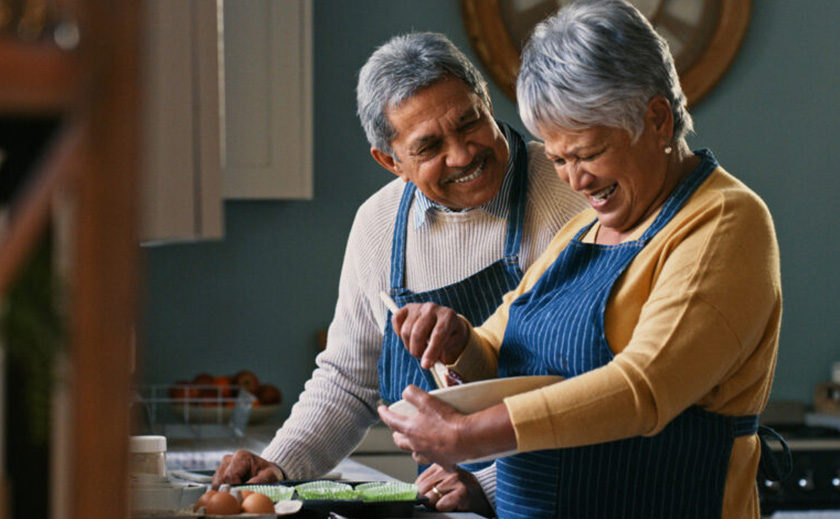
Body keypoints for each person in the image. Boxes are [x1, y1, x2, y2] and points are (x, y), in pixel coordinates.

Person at [377, 1, 783, 518]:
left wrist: (469, 435)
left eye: (588, 153)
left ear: (657, 119)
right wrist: (458, 341)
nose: (574, 179)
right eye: (557, 158)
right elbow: (497, 353)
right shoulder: (581, 231)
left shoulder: (724, 221)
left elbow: (643, 387)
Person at [211, 31, 588, 514]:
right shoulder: (379, 225)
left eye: (469, 122)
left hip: (565, 495)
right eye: (429, 147)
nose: (462, 154)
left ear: (486, 101)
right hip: (444, 504)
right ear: (390, 161)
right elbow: (350, 381)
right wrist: (279, 467)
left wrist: (489, 485)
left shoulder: (571, 193)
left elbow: (598, 384)